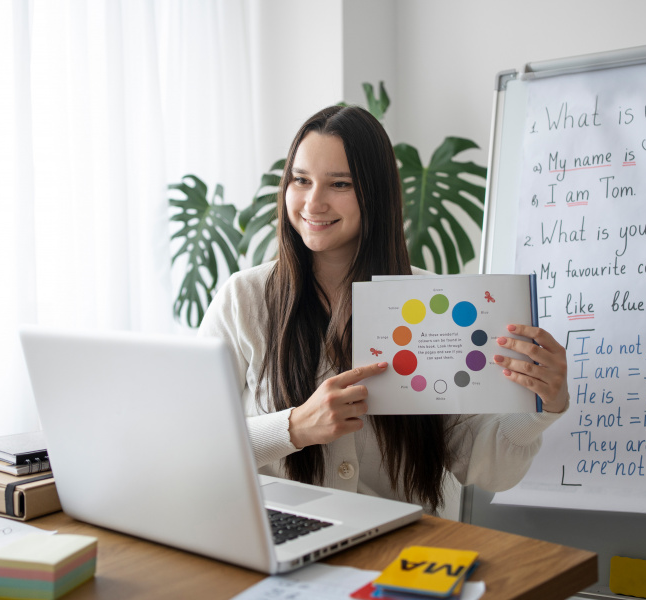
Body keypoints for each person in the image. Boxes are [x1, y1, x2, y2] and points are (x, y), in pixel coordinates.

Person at [199, 105, 569, 514]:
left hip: (397, 550)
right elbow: (193, 444)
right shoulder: (243, 299)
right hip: (282, 540)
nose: (313, 202)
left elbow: (488, 468)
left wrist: (543, 405)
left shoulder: (429, 302)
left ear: (374, 194)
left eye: (339, 184)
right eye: (300, 180)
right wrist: (294, 428)